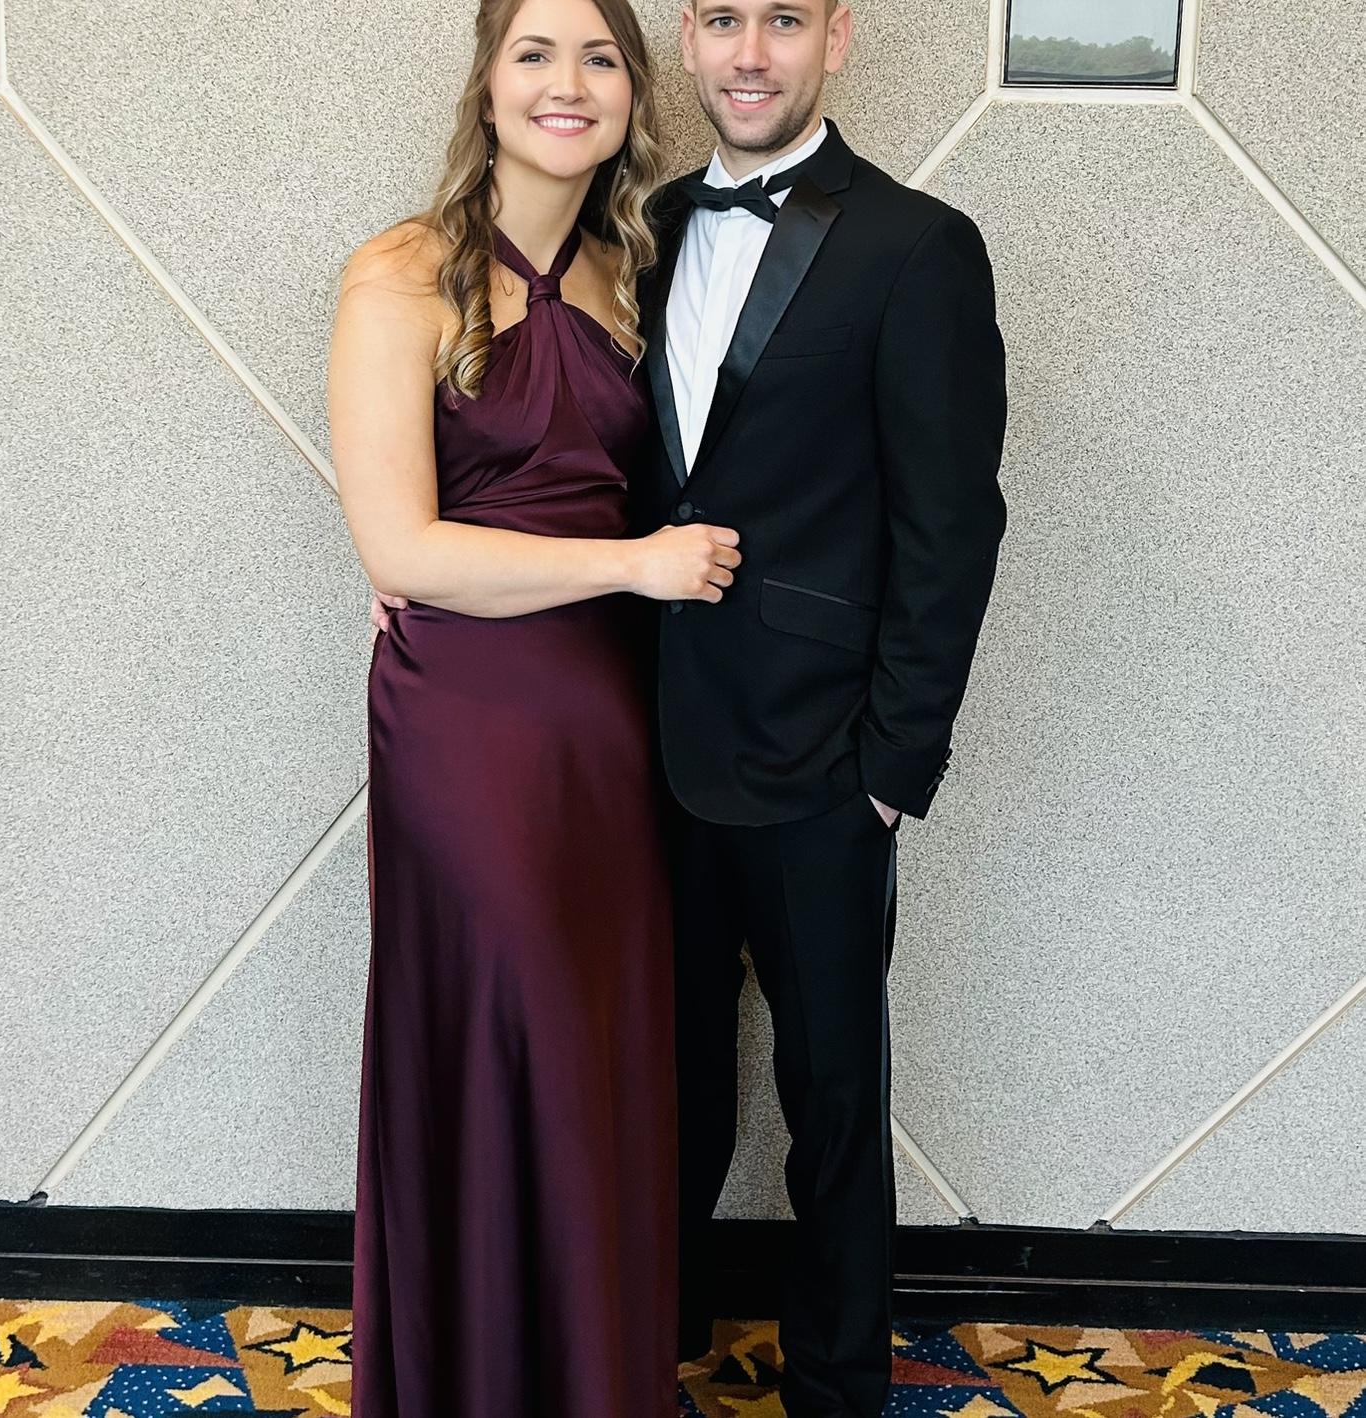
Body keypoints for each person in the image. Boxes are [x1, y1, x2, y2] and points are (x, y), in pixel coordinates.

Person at [326, 0, 743, 1411]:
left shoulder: (642, 270)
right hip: (470, 727)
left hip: (616, 729)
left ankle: (589, 1378)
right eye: (535, 53)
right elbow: (401, 549)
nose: (570, 83)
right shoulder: (399, 275)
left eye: (601, 57)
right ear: (487, 85)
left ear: (632, 92)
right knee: (514, 1034)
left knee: (600, 1049)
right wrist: (632, 564)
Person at [634, 1, 1009, 1415]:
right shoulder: (639, 232)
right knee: (663, 1078)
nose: (750, 53)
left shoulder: (917, 246)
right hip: (645, 743)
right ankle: (653, 1337)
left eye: (784, 18)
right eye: (723, 18)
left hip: (823, 761)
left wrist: (893, 767)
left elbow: (949, 525)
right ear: (687, 37)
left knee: (835, 1099)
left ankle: (839, 1383)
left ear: (836, 38)